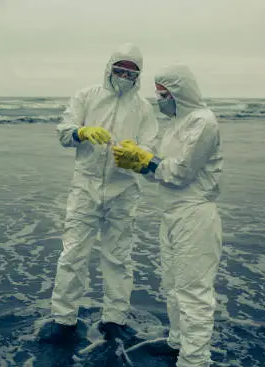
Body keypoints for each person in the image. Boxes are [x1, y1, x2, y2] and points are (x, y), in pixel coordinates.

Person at [39, 43, 158, 343]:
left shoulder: (143, 108)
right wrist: (82, 132)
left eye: (131, 72)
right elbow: (64, 132)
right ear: (109, 68)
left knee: (118, 258)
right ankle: (63, 319)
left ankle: (114, 319)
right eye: (119, 69)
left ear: (138, 75)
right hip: (86, 186)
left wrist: (137, 154)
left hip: (124, 189)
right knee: (73, 254)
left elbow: (151, 147)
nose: (124, 75)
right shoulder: (87, 96)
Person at [112, 63, 223, 366]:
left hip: (195, 214)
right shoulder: (175, 124)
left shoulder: (203, 122)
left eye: (163, 94)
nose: (159, 100)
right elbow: (159, 172)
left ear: (179, 93)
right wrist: (137, 160)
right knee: (173, 286)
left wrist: (146, 161)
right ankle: (178, 343)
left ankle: (195, 360)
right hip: (172, 214)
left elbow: (180, 172)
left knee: (194, 292)